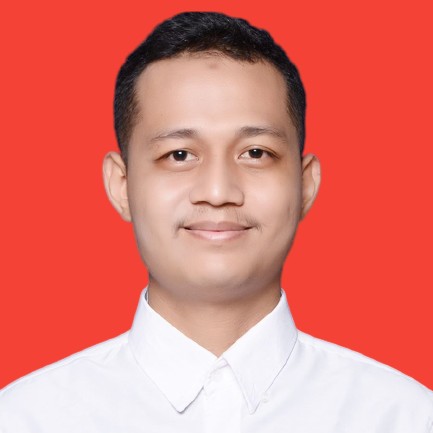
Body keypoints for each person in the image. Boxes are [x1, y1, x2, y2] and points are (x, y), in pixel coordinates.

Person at [0, 11, 431, 433]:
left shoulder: (405, 418)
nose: (219, 190)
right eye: (179, 155)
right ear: (121, 184)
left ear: (305, 185)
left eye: (256, 153)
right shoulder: (26, 419)